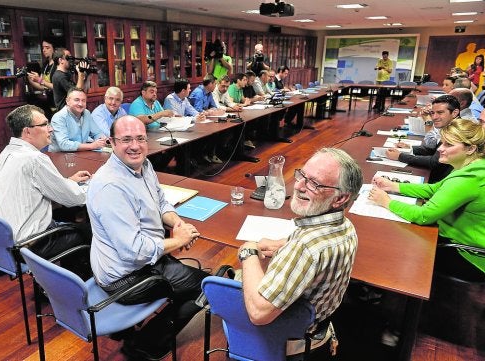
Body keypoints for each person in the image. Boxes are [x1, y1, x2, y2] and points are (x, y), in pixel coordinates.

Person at [87, 115, 209, 360]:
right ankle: (145, 345)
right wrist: (180, 241)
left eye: (140, 138)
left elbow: (161, 201)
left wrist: (178, 223)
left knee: (184, 273)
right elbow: (135, 251)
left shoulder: (143, 165)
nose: (135, 145)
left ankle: (127, 330)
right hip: (125, 277)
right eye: (127, 139)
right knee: (207, 287)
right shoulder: (111, 186)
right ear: (112, 142)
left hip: (139, 262)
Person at [238, 148, 362, 357]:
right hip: (318, 330)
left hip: (287, 340)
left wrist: (248, 252)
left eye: (314, 184)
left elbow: (258, 314)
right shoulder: (346, 226)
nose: (298, 186)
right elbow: (314, 249)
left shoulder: (306, 248)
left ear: (340, 198)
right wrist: (285, 244)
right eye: (302, 175)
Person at [369, 118, 485, 282]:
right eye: (442, 143)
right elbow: (435, 189)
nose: (440, 149)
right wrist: (393, 186)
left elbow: (424, 216)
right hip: (464, 242)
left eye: (448, 145)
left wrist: (387, 202)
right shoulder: (473, 166)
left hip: (467, 255)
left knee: (388, 242)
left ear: (471, 148)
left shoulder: (468, 179)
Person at [0, 105, 91, 263]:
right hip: (33, 245)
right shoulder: (34, 159)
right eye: (45, 124)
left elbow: (33, 187)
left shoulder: (8, 152)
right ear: (27, 131)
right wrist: (94, 186)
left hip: (8, 241)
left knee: (63, 215)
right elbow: (75, 198)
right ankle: (75, 284)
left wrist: (68, 182)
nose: (51, 129)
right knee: (92, 232)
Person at [386, 95, 460, 182]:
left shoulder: (457, 131)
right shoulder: (450, 126)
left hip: (441, 182)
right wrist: (411, 148)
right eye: (432, 113)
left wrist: (400, 156)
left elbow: (434, 162)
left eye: (440, 113)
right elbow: (434, 149)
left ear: (454, 113)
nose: (434, 117)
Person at [49, 87, 107, 152]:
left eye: (83, 100)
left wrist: (101, 140)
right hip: (59, 156)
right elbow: (64, 144)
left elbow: (97, 133)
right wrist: (92, 146)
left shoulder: (86, 113)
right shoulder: (58, 117)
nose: (80, 104)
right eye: (77, 100)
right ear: (67, 101)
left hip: (81, 153)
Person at [188, 75, 225, 164]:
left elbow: (214, 107)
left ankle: (209, 154)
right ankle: (200, 156)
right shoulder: (199, 92)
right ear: (209, 84)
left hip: (205, 119)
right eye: (215, 84)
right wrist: (209, 111)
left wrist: (210, 111)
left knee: (217, 131)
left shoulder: (209, 93)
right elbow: (198, 110)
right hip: (194, 121)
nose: (216, 86)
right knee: (212, 133)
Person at [26, 37, 56, 118]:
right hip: (49, 104)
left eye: (47, 47)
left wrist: (39, 79)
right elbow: (42, 87)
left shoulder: (58, 65)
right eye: (43, 48)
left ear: (54, 49)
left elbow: (57, 87)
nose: (44, 50)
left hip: (59, 104)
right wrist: (30, 78)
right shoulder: (45, 64)